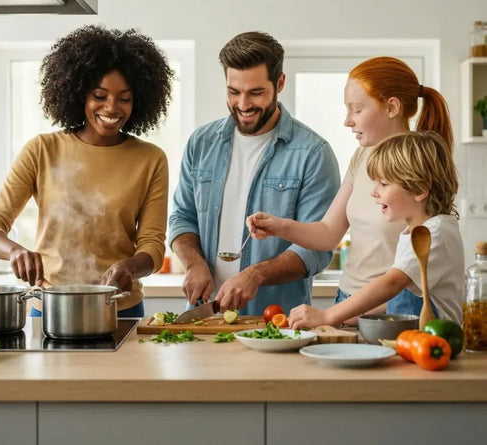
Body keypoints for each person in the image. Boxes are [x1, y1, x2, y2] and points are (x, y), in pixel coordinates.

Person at [0, 25, 173, 317]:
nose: (111, 107)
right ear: (79, 94)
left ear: (139, 100)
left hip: (120, 310)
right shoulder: (42, 150)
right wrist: (15, 252)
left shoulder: (150, 159)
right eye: (99, 95)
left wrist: (129, 267)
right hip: (51, 307)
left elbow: (153, 246)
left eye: (124, 98)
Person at [247, 56, 455, 318]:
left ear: (392, 107)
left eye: (356, 110)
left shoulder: (420, 164)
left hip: (394, 305)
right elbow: (327, 232)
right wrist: (278, 226)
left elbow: (401, 276)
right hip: (347, 298)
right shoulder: (361, 156)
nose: (347, 121)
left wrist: (331, 315)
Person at [168, 31, 340, 316]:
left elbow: (317, 249)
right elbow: (181, 217)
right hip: (204, 319)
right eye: (234, 92)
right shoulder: (201, 143)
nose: (244, 104)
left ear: (280, 83)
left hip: (276, 322)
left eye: (256, 93)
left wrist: (256, 274)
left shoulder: (312, 153)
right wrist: (194, 263)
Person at [286, 131, 464, 328]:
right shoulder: (417, 231)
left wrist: (328, 315)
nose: (374, 192)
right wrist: (353, 316)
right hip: (416, 342)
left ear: (419, 190)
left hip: (437, 342)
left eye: (384, 184)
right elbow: (400, 294)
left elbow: (392, 284)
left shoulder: (432, 234)